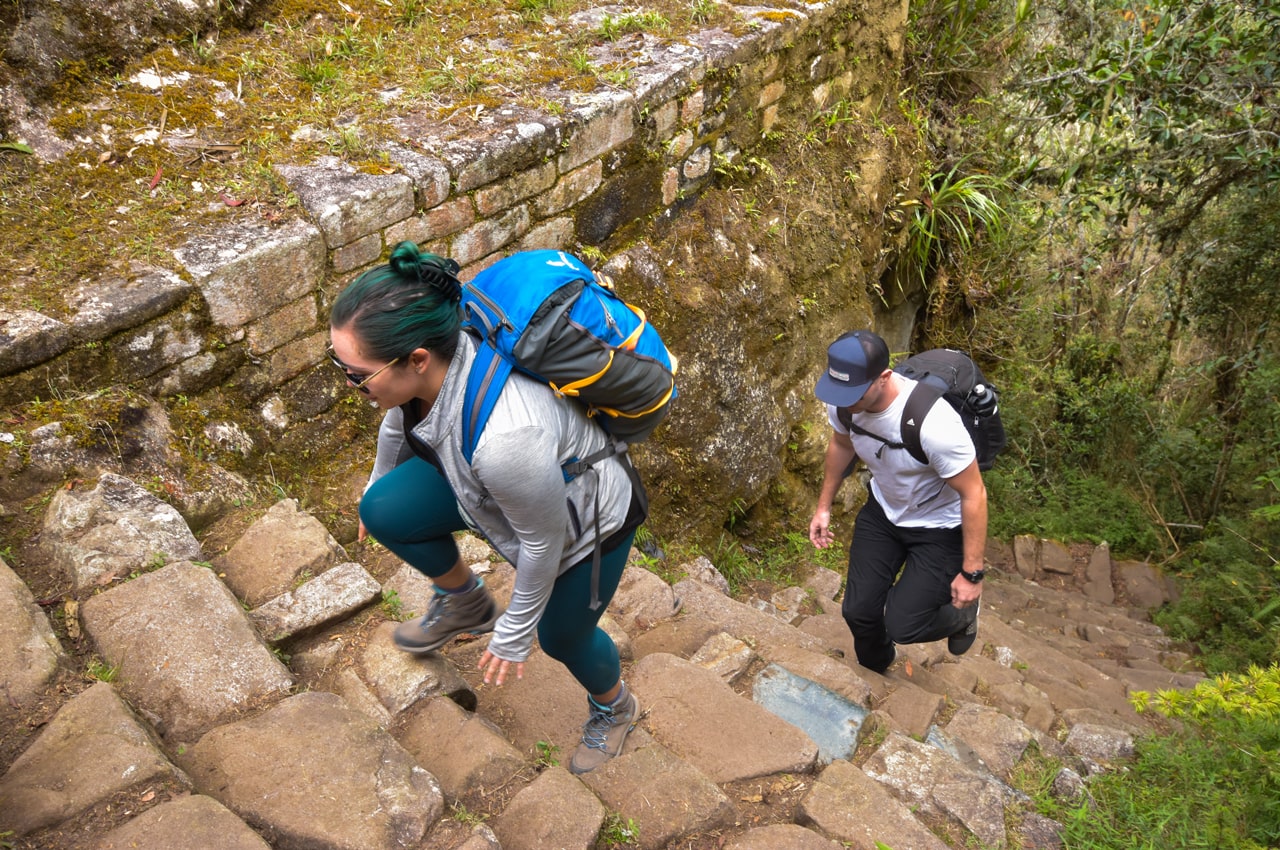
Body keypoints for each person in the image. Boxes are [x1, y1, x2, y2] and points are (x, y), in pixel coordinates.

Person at [328, 241, 646, 774]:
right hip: (490, 486)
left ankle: (616, 707)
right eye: (338, 364)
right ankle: (466, 604)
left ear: (417, 360)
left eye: (357, 375)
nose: (348, 384)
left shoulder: (506, 440)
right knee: (385, 509)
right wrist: (377, 481)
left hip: (586, 520)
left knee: (561, 636)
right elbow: (401, 418)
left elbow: (544, 544)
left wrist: (516, 632)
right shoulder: (433, 365)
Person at [808, 329, 987, 673]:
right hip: (884, 514)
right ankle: (876, 672)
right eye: (839, 392)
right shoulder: (844, 400)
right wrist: (823, 507)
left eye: (854, 393)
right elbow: (842, 446)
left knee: (903, 626)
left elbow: (974, 493)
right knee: (858, 611)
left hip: (939, 528)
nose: (844, 402)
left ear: (884, 378)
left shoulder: (936, 425)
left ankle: (962, 615)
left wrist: (972, 574)